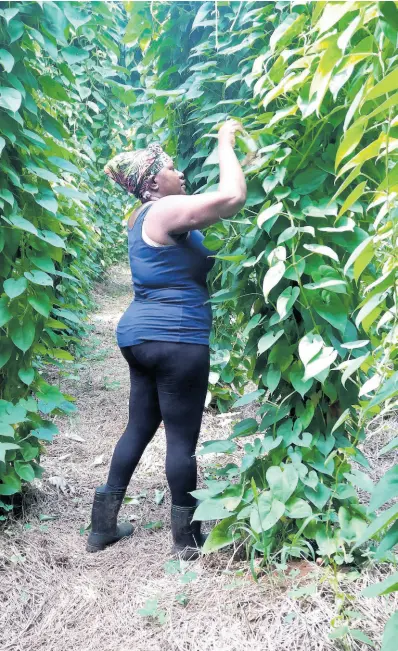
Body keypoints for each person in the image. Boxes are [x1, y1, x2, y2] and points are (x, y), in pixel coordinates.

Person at [86, 119, 246, 560]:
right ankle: (187, 542)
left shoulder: (144, 217)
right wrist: (224, 141)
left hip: (140, 336)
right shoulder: (162, 210)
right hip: (177, 337)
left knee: (139, 426)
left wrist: (242, 161)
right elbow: (231, 198)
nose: (181, 172)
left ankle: (102, 527)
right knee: (181, 440)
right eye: (173, 168)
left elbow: (216, 197)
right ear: (154, 182)